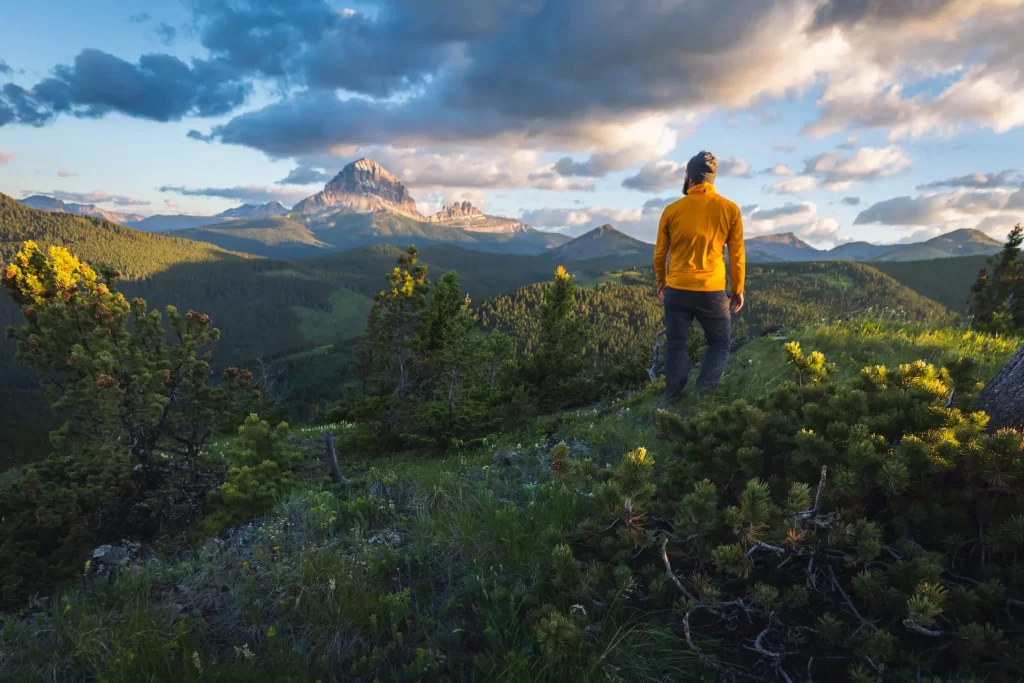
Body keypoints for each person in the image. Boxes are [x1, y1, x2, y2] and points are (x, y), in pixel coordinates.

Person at [653, 150, 745, 400]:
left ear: (689, 177)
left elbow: (660, 255)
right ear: (712, 179)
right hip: (712, 293)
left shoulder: (672, 210)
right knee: (719, 343)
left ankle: (672, 397)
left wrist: (663, 284)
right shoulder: (730, 210)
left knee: (676, 345)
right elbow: (736, 255)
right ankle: (703, 395)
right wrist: (737, 289)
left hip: (677, 289)